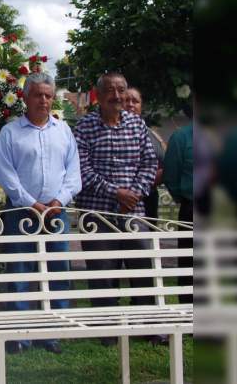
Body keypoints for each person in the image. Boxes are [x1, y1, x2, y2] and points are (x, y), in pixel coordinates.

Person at [73, 72, 166, 347]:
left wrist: (135, 192)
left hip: (133, 211)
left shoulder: (137, 125)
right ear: (99, 96)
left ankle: (149, 326)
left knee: (144, 269)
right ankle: (107, 330)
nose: (116, 96)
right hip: (98, 214)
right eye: (110, 91)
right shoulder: (85, 126)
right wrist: (116, 192)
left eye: (121, 90)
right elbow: (82, 169)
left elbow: (149, 163)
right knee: (102, 272)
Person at [0, 73, 82, 355]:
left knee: (58, 272)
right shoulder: (10, 132)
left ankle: (52, 332)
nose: (44, 100)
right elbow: (5, 174)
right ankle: (20, 334)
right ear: (25, 97)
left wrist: (59, 200)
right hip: (22, 213)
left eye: (48, 95)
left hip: (56, 213)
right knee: (20, 272)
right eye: (38, 94)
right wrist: (31, 202)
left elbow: (74, 173)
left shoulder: (63, 131)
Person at [163, 104, 194, 304]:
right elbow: (171, 175)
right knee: (190, 263)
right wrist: (181, 195)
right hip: (193, 208)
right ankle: (189, 314)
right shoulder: (181, 137)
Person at [124, 87, 167, 220]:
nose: (131, 104)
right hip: (124, 198)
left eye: (135, 101)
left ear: (141, 106)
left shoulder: (152, 133)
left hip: (150, 198)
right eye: (127, 100)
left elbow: (164, 162)